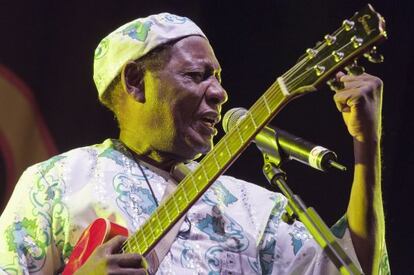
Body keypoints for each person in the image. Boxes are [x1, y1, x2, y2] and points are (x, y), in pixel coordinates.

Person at [0, 13, 389, 275]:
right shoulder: (59, 181)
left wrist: (365, 146)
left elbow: (349, 267)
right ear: (135, 81)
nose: (220, 92)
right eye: (197, 75)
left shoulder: (253, 207)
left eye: (218, 76)